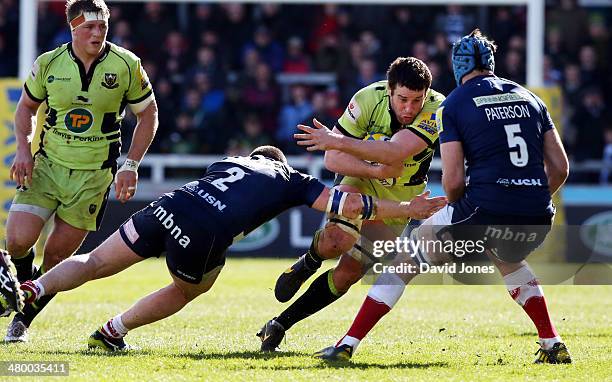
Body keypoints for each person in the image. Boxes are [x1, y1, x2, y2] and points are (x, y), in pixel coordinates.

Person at [0, 146, 447, 351]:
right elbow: (348, 203)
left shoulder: (231, 160)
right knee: (190, 288)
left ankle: (33, 288)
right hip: (207, 227)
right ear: (279, 163)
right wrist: (408, 205)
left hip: (171, 204)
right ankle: (113, 330)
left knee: (96, 261)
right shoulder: (291, 179)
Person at [314, 29, 572, 365]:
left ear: (457, 67)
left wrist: (466, 210)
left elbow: (451, 180)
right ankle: (552, 342)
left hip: (482, 208)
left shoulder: (454, 103)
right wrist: (529, 198)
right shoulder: (530, 98)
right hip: (538, 215)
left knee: (404, 261)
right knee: (508, 260)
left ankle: (347, 344)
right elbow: (561, 167)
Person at [257, 57, 445, 351]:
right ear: (389, 90)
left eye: (416, 100)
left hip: (401, 197)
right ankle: (310, 261)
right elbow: (331, 159)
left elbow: (396, 152)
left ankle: (280, 323)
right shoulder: (367, 99)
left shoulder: (437, 108)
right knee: (336, 241)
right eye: (403, 99)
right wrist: (373, 170)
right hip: (359, 177)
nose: (409, 108)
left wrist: (338, 141)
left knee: (348, 274)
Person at [5, 0, 158, 342]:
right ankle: (20, 286)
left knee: (58, 257)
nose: (97, 33)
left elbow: (148, 114)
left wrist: (131, 164)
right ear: (73, 28)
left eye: (102, 27)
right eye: (89, 27)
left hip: (93, 176)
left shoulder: (126, 65)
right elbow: (26, 107)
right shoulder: (49, 63)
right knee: (17, 240)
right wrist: (22, 149)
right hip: (47, 166)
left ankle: (22, 320)